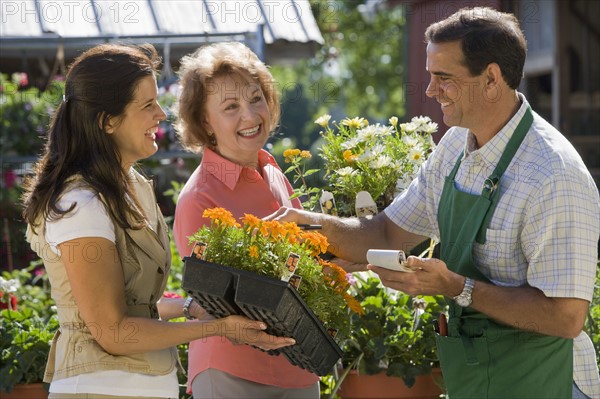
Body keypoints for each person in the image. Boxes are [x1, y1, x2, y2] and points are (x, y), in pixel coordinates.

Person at [269, 7, 600, 399]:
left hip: (545, 382)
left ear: (491, 79)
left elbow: (565, 316)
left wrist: (456, 287)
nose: (429, 90)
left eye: (444, 78)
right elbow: (390, 232)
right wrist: (309, 226)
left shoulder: (553, 175)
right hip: (480, 379)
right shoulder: (455, 147)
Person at [21, 43, 294, 399]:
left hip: (149, 387)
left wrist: (189, 308)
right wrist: (218, 328)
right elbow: (113, 332)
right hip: (97, 389)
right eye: (148, 105)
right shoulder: (80, 202)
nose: (162, 114)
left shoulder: (132, 186)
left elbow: (140, 306)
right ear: (108, 121)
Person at [173, 42, 320, 398]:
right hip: (231, 372)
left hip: (298, 367)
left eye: (257, 98)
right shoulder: (199, 198)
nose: (251, 116)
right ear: (205, 121)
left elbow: (308, 261)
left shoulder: (274, 173)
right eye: (231, 107)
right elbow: (212, 300)